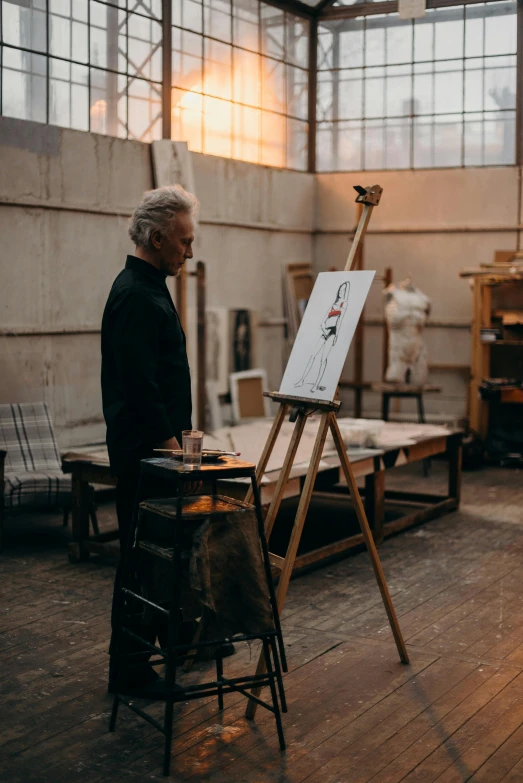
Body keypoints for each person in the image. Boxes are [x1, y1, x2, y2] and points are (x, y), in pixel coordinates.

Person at [101, 184, 197, 697]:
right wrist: (169, 442)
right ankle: (131, 669)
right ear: (158, 237)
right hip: (147, 453)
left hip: (156, 450)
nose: (189, 250)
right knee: (140, 559)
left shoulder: (149, 285)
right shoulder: (136, 294)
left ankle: (169, 638)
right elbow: (140, 384)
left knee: (157, 554)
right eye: (184, 241)